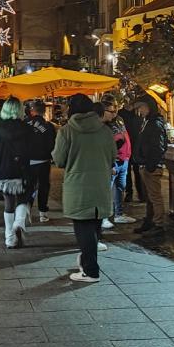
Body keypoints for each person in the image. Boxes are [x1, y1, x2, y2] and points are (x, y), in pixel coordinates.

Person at [52, 94, 116, 283]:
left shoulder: (67, 131)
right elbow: (113, 156)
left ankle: (90, 270)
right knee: (95, 226)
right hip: (100, 184)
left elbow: (59, 159)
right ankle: (87, 261)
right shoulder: (105, 131)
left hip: (78, 186)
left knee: (83, 228)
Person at [0, 96, 35, 248]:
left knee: (8, 203)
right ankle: (19, 222)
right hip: (22, 169)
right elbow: (31, 150)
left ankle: (9, 237)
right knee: (24, 197)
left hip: (4, 170)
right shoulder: (27, 129)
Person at [132, 97, 168, 237]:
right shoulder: (148, 121)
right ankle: (150, 220)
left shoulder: (155, 123)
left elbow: (158, 146)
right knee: (150, 196)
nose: (140, 110)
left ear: (149, 107)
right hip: (146, 164)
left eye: (142, 107)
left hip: (151, 166)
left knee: (155, 196)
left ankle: (158, 224)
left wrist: (150, 165)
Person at [100, 99, 134, 226]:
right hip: (114, 161)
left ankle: (119, 213)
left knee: (120, 187)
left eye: (115, 109)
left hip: (124, 159)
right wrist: (111, 162)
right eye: (111, 110)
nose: (114, 112)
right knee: (107, 189)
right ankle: (104, 217)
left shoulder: (119, 119)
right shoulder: (103, 126)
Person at [26, 100, 57, 223]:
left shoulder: (24, 123)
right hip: (43, 160)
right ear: (44, 112)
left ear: (32, 111)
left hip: (28, 160)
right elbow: (52, 143)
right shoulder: (49, 126)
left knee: (29, 186)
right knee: (43, 186)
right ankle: (42, 213)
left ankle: (27, 207)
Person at [118, 99, 145, 205]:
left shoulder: (137, 115)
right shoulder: (121, 115)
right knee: (127, 172)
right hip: (126, 147)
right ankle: (131, 193)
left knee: (136, 172)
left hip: (135, 147)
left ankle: (139, 194)